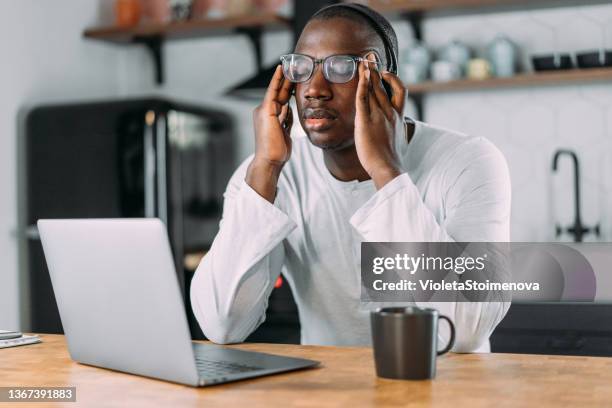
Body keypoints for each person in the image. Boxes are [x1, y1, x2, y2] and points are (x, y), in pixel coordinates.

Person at [190, 3, 511, 352]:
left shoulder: (468, 160)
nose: (314, 89)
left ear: (385, 85)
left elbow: (466, 329)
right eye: (302, 67)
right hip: (330, 392)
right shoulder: (266, 174)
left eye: (341, 68)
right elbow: (221, 325)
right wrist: (265, 169)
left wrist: (387, 173)